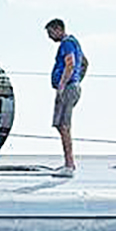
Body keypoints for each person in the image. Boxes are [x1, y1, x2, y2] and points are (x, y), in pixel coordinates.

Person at [44, 18, 88, 178]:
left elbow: (70, 63)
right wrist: (77, 80)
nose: (50, 37)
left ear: (58, 29)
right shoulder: (75, 42)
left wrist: (63, 85)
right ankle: (68, 163)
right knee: (61, 125)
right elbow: (85, 63)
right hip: (72, 86)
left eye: (50, 33)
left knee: (64, 126)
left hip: (67, 88)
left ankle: (69, 165)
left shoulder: (67, 43)